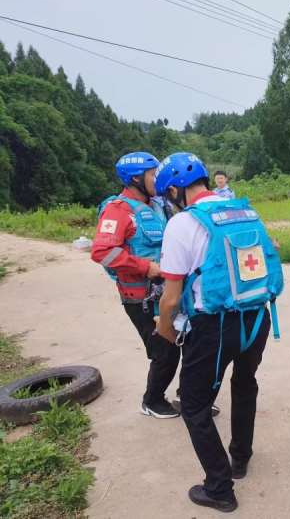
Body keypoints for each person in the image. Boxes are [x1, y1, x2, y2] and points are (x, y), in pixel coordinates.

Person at [154, 152, 283, 513]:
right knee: (244, 384)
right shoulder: (244, 211)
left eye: (168, 196)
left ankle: (220, 489)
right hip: (257, 318)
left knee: (194, 405)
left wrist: (165, 327)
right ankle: (240, 459)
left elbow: (172, 295)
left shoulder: (181, 224)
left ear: (176, 191)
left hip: (215, 326)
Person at [91, 152, 180, 419]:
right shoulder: (119, 210)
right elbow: (101, 252)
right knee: (164, 351)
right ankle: (152, 401)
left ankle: (189, 396)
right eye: (154, 175)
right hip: (140, 296)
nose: (159, 179)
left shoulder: (159, 205)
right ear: (136, 179)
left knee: (186, 343)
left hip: (167, 290)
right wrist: (145, 266)